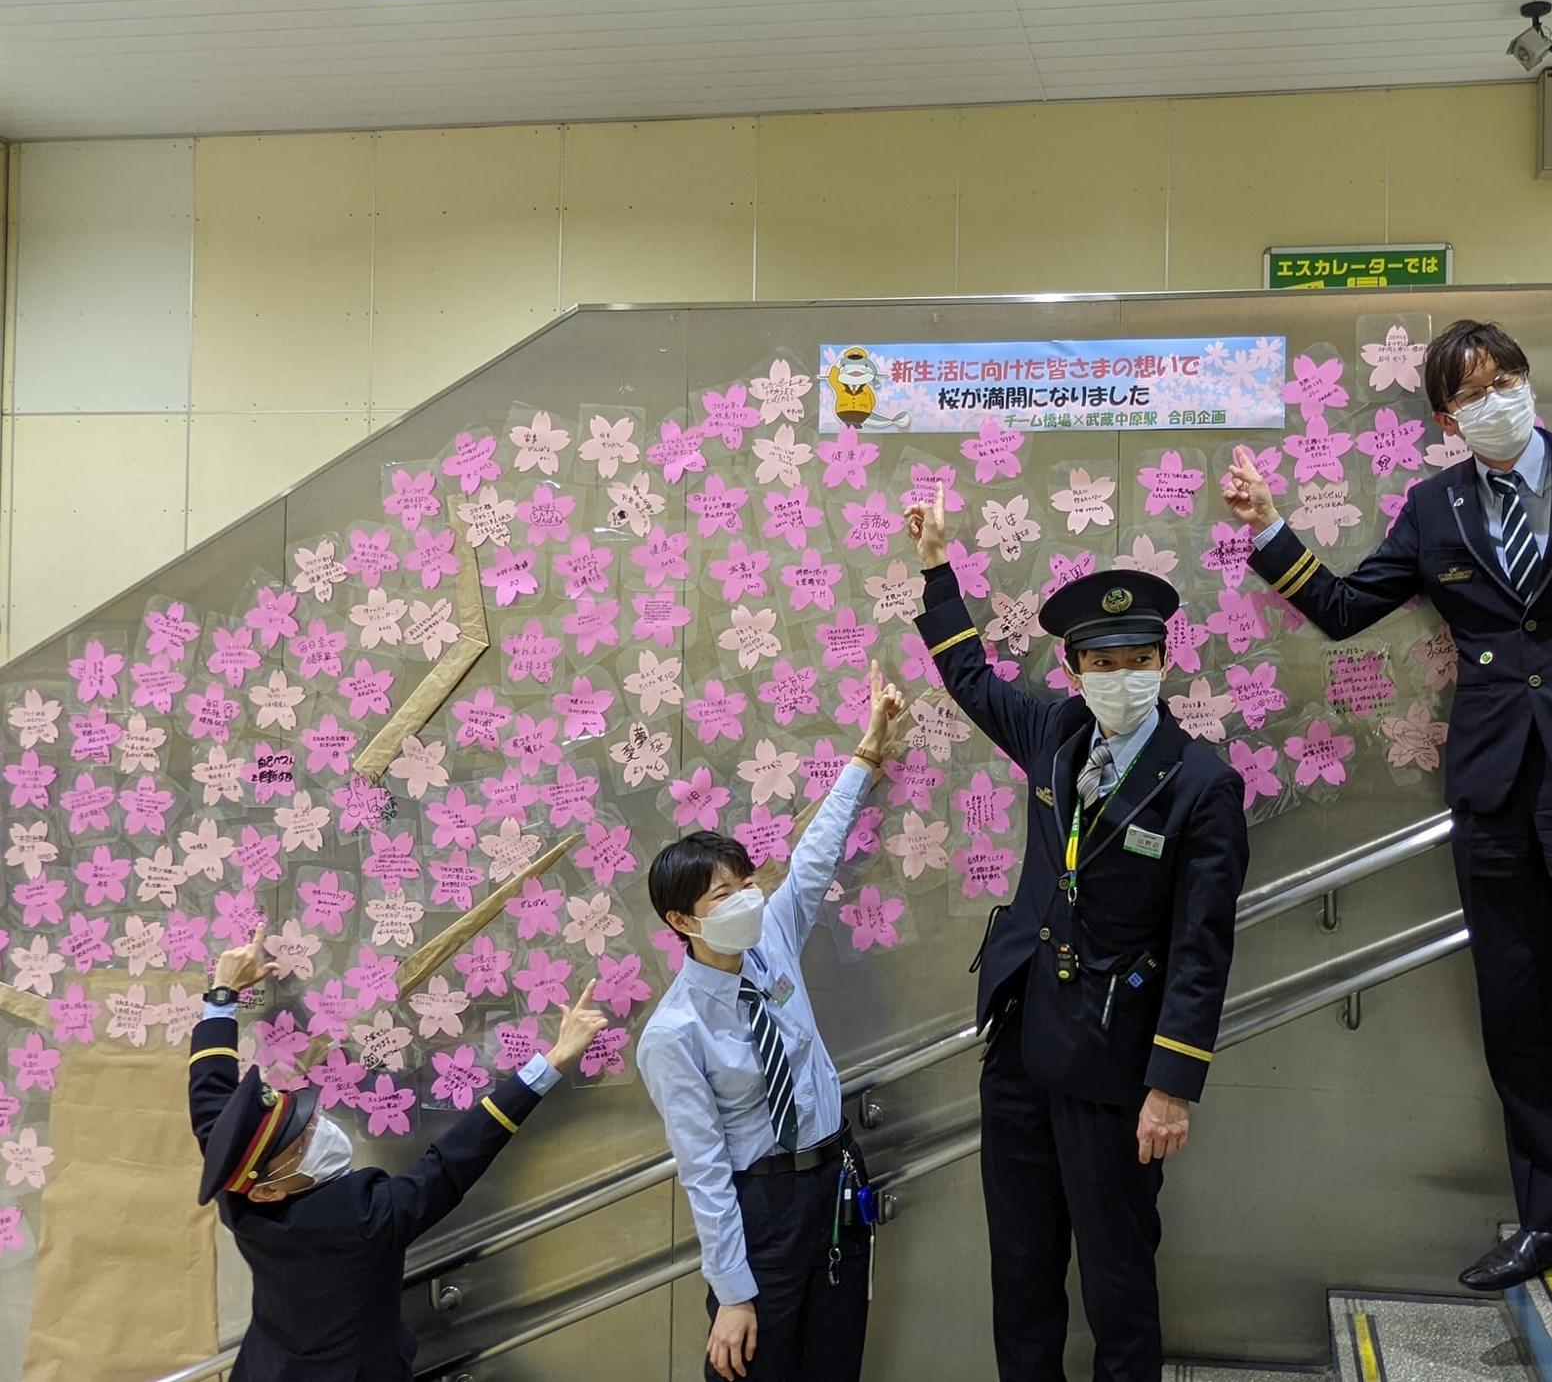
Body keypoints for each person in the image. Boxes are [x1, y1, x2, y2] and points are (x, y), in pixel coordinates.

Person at [1220, 319, 1552, 1380]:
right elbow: (1340, 610)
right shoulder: (1432, 508)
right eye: (1472, 391)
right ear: (1443, 418)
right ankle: (1551, 1219)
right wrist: (1270, 526)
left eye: (1506, 378)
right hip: (1494, 797)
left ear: (1525, 383)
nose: (1496, 398)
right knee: (1515, 1022)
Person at [903, 482, 1249, 1382]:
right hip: (1019, 1045)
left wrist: (1170, 1085)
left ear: (1163, 662)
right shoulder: (1057, 733)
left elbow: (1202, 949)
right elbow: (971, 680)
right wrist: (937, 565)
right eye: (1102, 663)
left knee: (1118, 1281)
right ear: (1074, 670)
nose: (1120, 677)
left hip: (1113, 1068)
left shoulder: (1201, 784)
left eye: (1138, 658)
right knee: (1020, 1272)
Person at [637, 662, 905, 1382]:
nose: (747, 899)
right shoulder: (673, 1033)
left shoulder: (771, 941)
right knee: (761, 1368)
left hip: (834, 1182)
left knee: (834, 1361)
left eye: (747, 883)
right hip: (764, 1208)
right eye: (724, 894)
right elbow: (703, 1170)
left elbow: (814, 856)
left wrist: (867, 752)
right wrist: (731, 1293)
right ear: (682, 921)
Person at [187, 925, 608, 1382]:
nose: (318, 1127)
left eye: (305, 1119)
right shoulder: (361, 1220)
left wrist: (223, 992)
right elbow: (452, 1161)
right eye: (303, 1140)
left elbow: (211, 1102)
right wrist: (553, 1061)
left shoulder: (238, 1189)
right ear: (268, 1190)